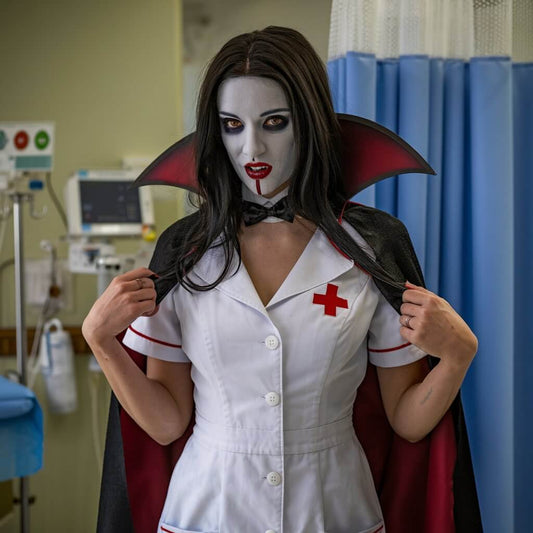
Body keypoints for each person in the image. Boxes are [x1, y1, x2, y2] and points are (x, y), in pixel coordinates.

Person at [83, 26, 481, 533]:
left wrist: (458, 353)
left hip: (336, 510)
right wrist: (100, 341)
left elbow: (407, 420)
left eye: (274, 122)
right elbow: (165, 424)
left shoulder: (370, 246)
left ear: (309, 123)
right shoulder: (186, 252)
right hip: (209, 509)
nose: (252, 146)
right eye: (231, 124)